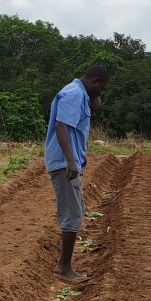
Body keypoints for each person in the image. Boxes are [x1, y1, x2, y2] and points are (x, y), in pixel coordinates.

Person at [44, 65, 110, 284]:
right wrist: (70, 161)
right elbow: (61, 125)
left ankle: (64, 265)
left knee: (76, 210)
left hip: (67, 162)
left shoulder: (79, 94)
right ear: (93, 80)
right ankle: (64, 268)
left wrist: (94, 101)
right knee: (72, 214)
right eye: (102, 87)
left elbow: (77, 118)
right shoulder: (73, 94)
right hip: (65, 163)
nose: (102, 92)